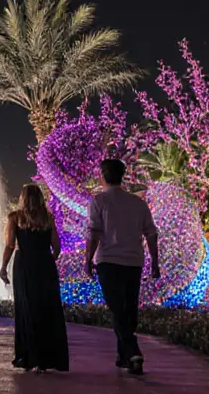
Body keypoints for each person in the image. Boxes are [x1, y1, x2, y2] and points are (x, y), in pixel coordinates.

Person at [86, 158, 159, 376]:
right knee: (128, 309)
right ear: (122, 175)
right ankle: (123, 356)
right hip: (133, 261)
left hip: (108, 261)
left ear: (102, 175)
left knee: (118, 309)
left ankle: (133, 351)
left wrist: (87, 260)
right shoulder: (138, 203)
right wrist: (155, 261)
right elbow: (151, 233)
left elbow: (94, 233)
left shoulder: (98, 201)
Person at [0, 183, 70, 372]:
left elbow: (9, 245)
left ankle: (29, 357)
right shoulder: (48, 217)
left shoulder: (15, 218)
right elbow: (56, 247)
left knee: (26, 308)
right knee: (47, 308)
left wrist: (3, 267)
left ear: (23, 197)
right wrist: (47, 259)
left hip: (24, 266)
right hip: (45, 266)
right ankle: (48, 359)